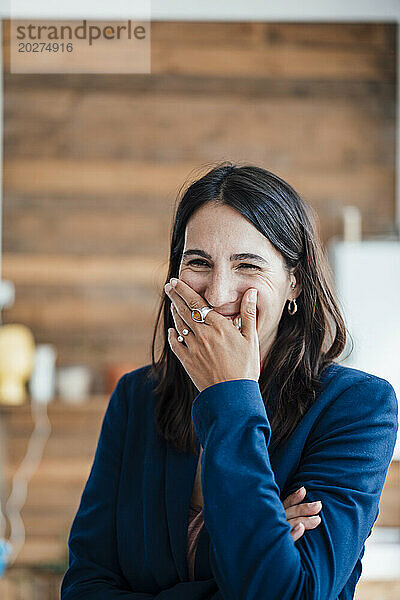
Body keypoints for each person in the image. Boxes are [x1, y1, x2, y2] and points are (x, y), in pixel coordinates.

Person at [60, 163, 398, 600]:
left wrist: (231, 393)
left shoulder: (358, 407)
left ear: (294, 282)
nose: (218, 295)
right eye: (198, 261)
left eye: (248, 266)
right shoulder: (136, 397)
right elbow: (84, 588)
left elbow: (288, 594)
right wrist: (262, 537)